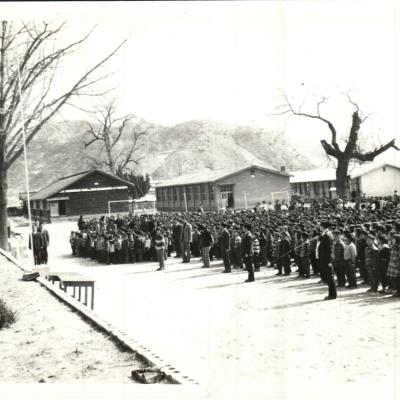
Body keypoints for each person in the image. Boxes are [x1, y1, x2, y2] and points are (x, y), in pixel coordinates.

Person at [318, 220, 337, 300]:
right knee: (327, 277)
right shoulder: (325, 234)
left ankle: (333, 295)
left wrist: (329, 261)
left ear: (323, 226)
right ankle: (331, 294)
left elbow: (329, 249)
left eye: (320, 225)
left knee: (329, 277)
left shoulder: (327, 235)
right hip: (324, 259)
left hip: (327, 260)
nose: (319, 227)